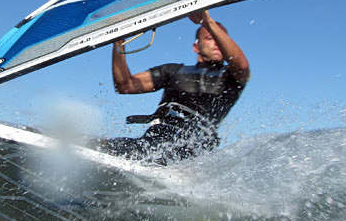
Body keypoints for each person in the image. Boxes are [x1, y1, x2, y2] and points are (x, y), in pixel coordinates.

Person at [99, 10, 250, 164]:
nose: (217, 43)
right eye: (210, 38)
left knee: (153, 153)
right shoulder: (173, 71)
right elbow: (125, 85)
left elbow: (242, 66)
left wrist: (208, 23)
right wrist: (119, 40)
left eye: (220, 38)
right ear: (196, 47)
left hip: (193, 149)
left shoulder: (231, 77)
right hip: (154, 142)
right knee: (98, 145)